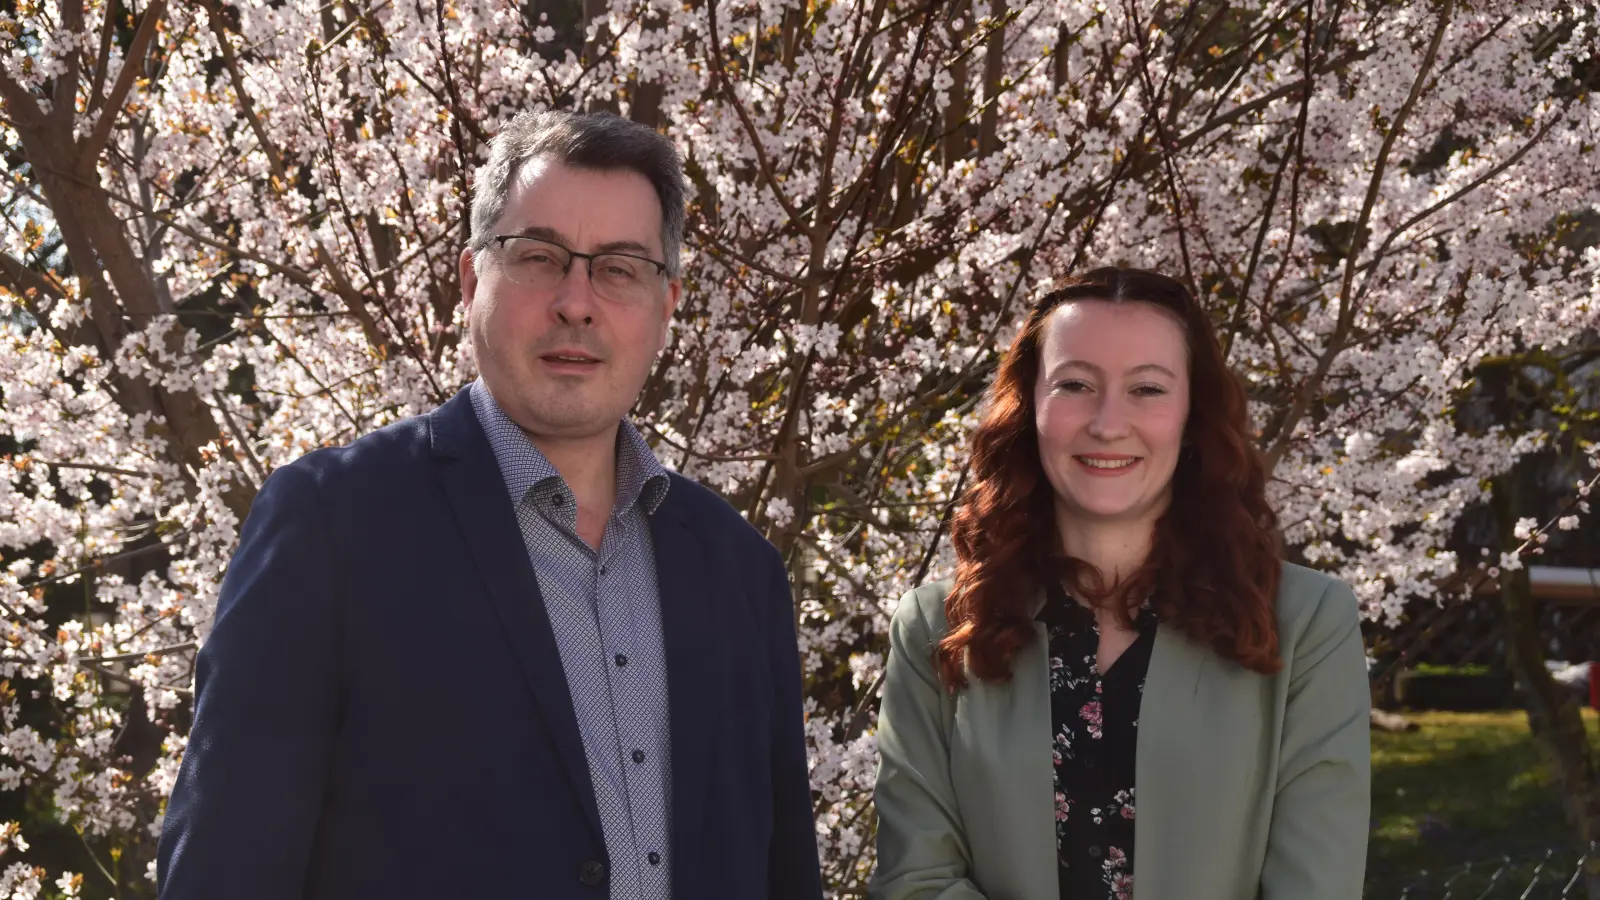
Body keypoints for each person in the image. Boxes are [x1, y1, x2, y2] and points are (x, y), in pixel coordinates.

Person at [157, 109, 824, 900]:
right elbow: (224, 872)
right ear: (472, 280)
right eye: (539, 257)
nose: (576, 303)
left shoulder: (742, 572)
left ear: (666, 302)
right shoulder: (333, 525)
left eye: (619, 269)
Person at [869, 267, 1370, 900]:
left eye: (1147, 389)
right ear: (1029, 407)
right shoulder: (939, 629)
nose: (1108, 424)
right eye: (1075, 385)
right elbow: (916, 882)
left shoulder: (1306, 624)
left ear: (1192, 415)